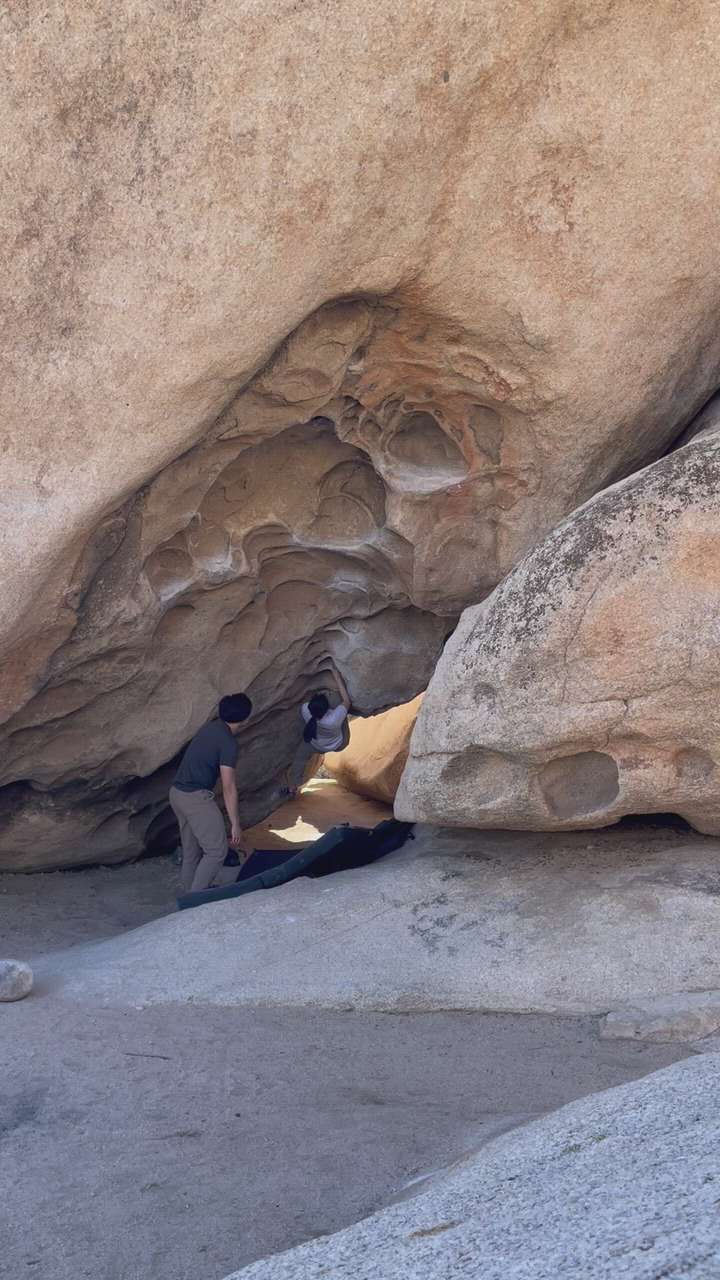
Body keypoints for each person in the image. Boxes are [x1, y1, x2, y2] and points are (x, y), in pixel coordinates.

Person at [169, 693, 252, 893]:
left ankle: (189, 891)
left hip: (177, 794)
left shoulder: (210, 727)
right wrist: (235, 825)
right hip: (195, 798)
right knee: (217, 851)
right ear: (245, 717)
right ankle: (195, 900)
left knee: (191, 851)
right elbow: (228, 786)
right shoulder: (228, 742)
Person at [285, 661, 352, 797]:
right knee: (340, 704)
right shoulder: (333, 719)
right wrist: (337, 676)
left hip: (314, 744)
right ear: (326, 709)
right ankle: (333, 700)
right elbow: (347, 701)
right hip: (338, 744)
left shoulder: (305, 710)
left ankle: (292, 786)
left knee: (299, 759)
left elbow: (309, 703)